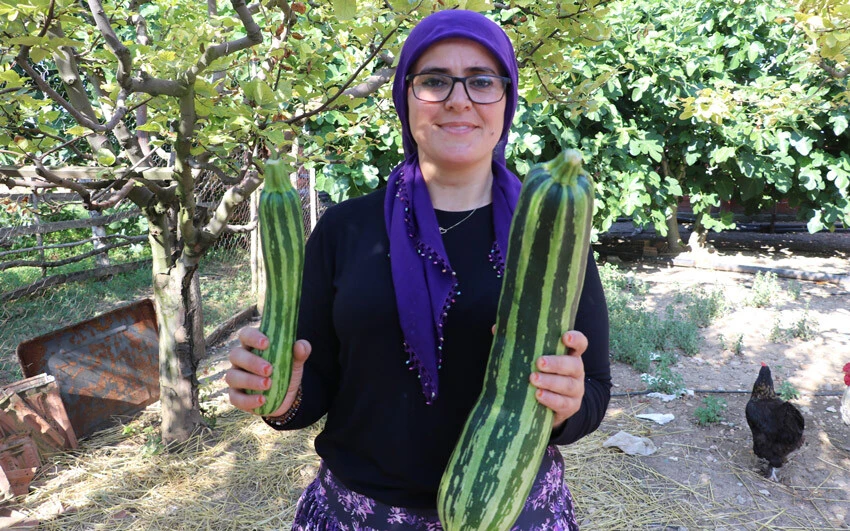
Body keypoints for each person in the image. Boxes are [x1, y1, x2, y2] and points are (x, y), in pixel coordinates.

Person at [226, 9, 610, 530]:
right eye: (433, 81)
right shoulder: (344, 230)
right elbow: (310, 384)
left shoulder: (551, 233)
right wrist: (281, 394)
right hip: (358, 515)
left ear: (507, 100)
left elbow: (595, 392)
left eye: (481, 81)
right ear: (405, 98)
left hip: (512, 512)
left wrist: (567, 404)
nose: (458, 99)